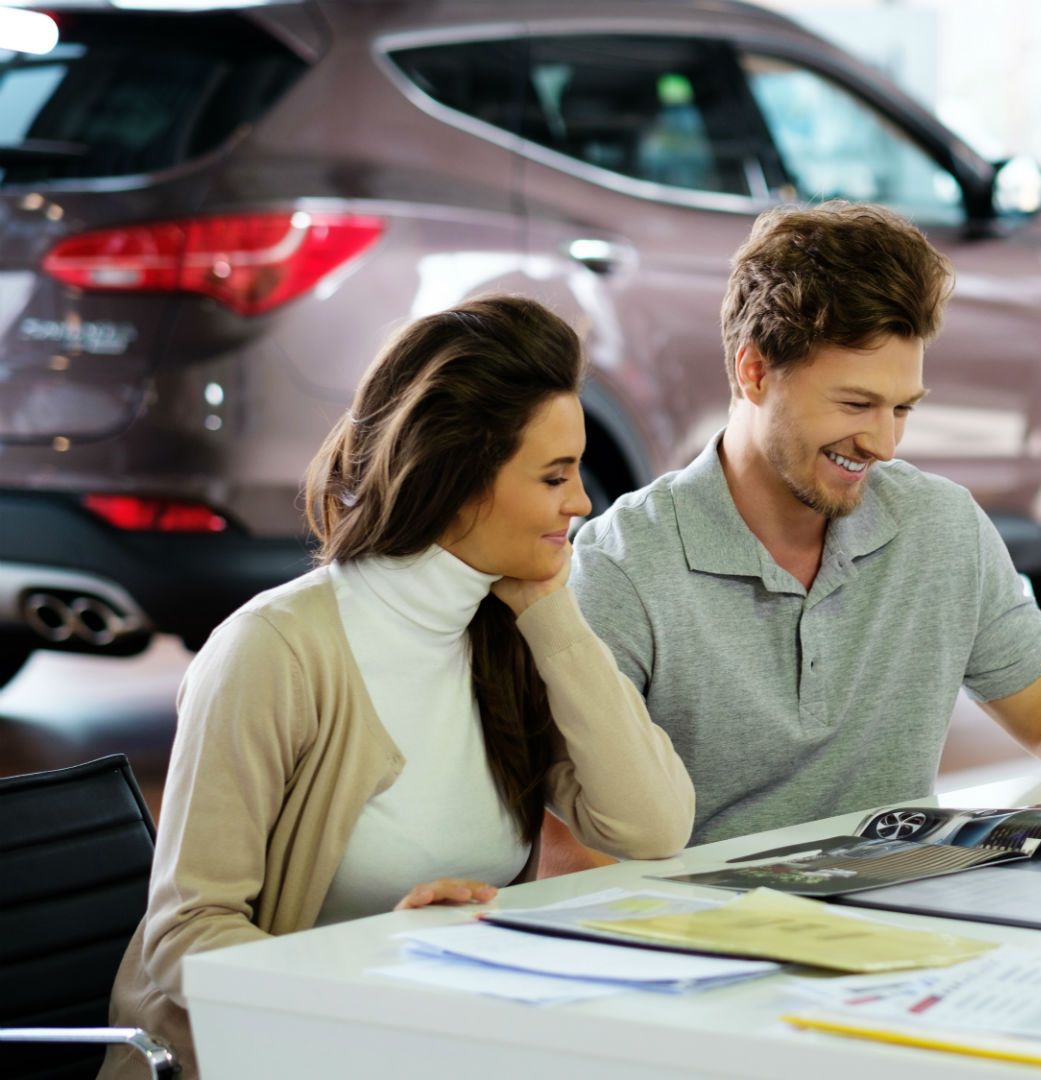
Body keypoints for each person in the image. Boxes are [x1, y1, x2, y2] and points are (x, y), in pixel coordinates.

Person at [102, 297, 695, 1080]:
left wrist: (552, 613)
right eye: (554, 475)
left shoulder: (506, 626)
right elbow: (187, 937)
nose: (582, 501)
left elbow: (651, 826)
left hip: (428, 1047)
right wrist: (371, 969)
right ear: (455, 481)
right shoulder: (276, 650)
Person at [571, 201, 1041, 847]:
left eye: (902, 409)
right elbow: (578, 835)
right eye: (856, 403)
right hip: (698, 943)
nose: (883, 444)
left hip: (903, 931)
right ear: (754, 371)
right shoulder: (624, 566)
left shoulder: (940, 526)